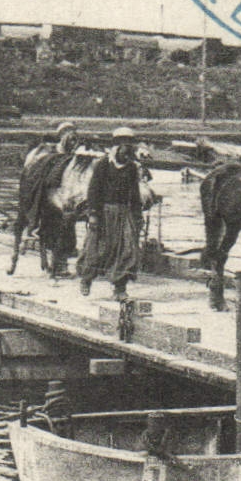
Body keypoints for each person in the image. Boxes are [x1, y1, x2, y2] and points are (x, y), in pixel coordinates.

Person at [79, 127, 144, 333]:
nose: (126, 151)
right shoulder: (102, 166)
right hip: (104, 212)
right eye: (123, 146)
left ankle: (120, 287)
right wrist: (93, 214)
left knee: (128, 249)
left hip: (125, 213)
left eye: (129, 147)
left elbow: (134, 193)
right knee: (98, 248)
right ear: (116, 147)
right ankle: (87, 279)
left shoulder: (132, 168)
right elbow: (94, 190)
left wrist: (137, 215)